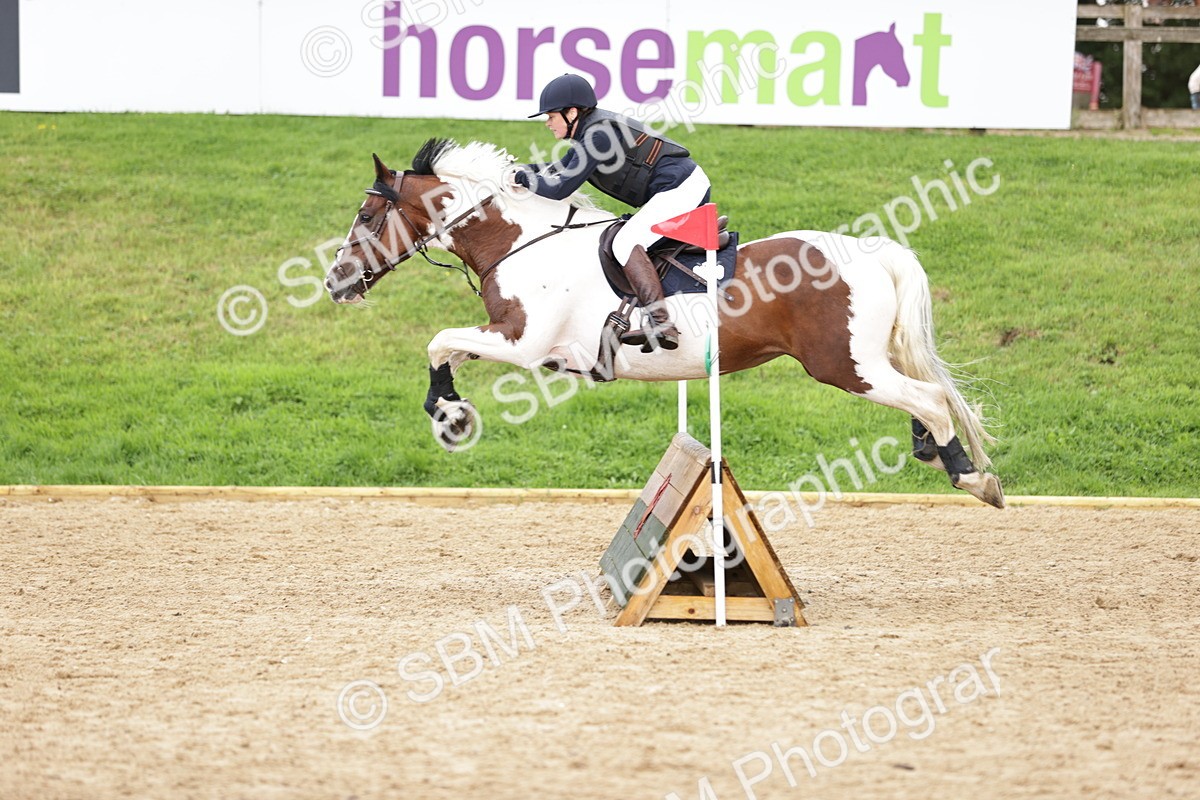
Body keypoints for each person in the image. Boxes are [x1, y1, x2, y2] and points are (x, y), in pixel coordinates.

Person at [513, 73, 712, 351]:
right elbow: (559, 166)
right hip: (674, 187)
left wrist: (523, 179)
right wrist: (517, 169)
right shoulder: (590, 132)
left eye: (551, 116)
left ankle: (660, 322)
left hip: (682, 187)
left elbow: (560, 188)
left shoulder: (598, 136)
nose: (547, 123)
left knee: (626, 241)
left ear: (572, 113)